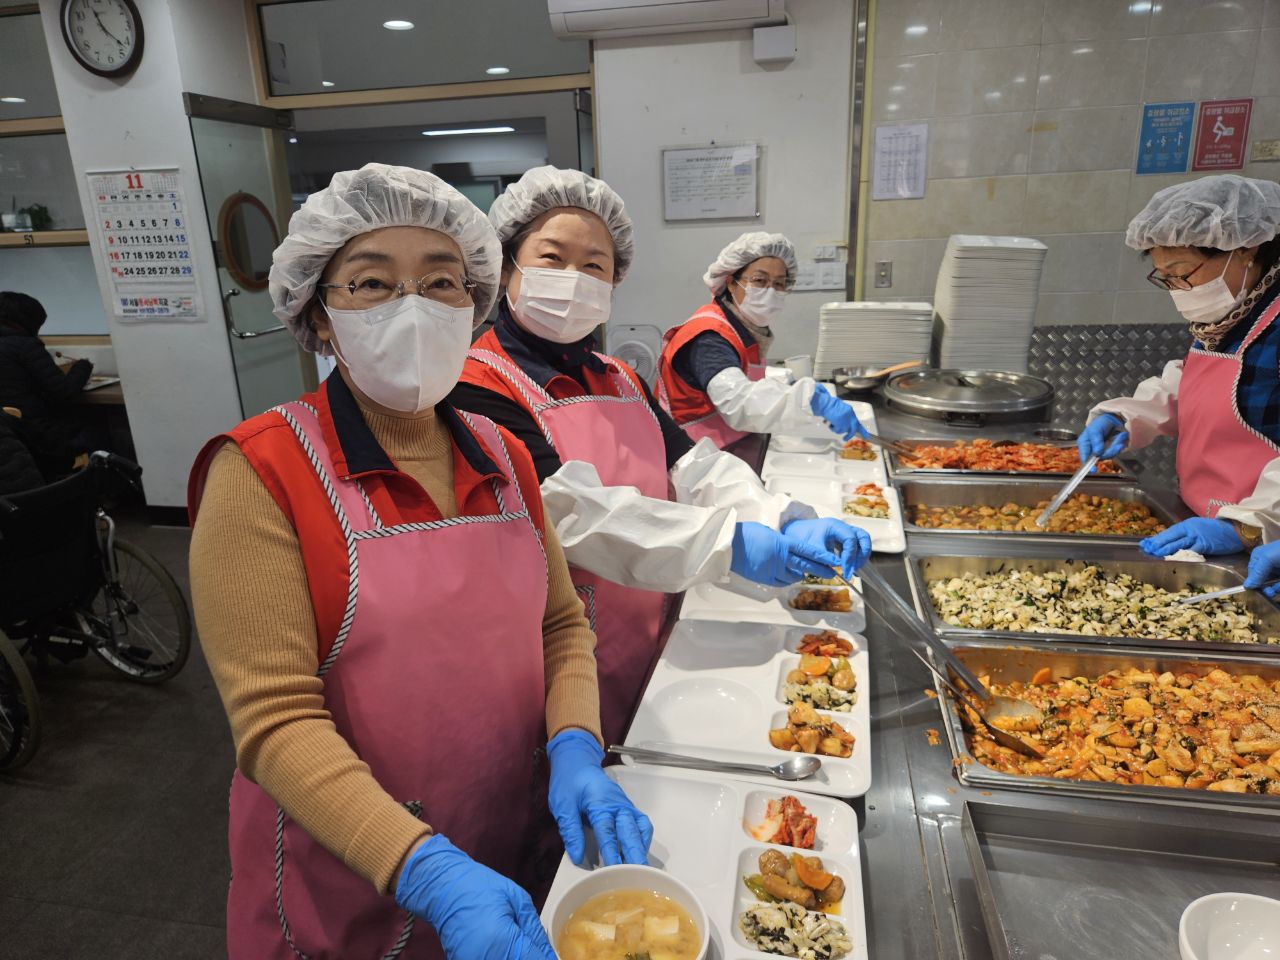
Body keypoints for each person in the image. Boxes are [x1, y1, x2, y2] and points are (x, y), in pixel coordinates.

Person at [188, 164, 650, 960]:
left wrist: (576, 743)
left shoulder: (503, 455)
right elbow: (274, 722)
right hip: (354, 883)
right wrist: (425, 870)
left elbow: (561, 624)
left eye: (440, 282)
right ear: (319, 311)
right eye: (371, 283)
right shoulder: (263, 471)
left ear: (473, 302)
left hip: (508, 832)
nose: (413, 307)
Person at [450, 167, 873, 746]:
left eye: (594, 265)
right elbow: (571, 514)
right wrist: (729, 545)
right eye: (552, 258)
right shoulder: (476, 386)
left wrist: (783, 516)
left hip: (652, 620)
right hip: (559, 656)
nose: (574, 279)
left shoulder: (619, 376)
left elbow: (695, 466)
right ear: (505, 267)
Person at [1077, 175, 1280, 571]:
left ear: (1245, 249)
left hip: (1265, 544)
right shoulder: (1232, 313)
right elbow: (1194, 383)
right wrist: (1126, 416)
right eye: (1165, 277)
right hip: (1200, 524)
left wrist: (1249, 526)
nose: (1177, 289)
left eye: (1182, 272)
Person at [656, 232, 867, 450]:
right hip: (691, 454)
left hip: (723, 445)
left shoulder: (741, 330)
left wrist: (788, 388)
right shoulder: (709, 337)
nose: (770, 291)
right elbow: (738, 403)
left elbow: (742, 379)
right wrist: (808, 399)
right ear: (731, 283)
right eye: (759, 280)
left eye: (779, 283)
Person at [0, 291, 93, 478]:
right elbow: (65, 392)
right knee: (97, 429)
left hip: (8, 440)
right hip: (36, 437)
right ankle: (104, 489)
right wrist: (83, 366)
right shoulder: (24, 345)